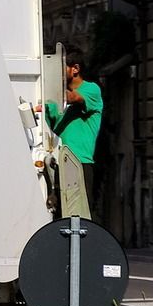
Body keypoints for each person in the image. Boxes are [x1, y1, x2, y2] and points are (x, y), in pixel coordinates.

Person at [45, 47, 103, 214]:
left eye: (60, 67)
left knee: (80, 218)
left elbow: (74, 98)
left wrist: (49, 85)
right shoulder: (55, 99)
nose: (57, 72)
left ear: (75, 69)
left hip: (80, 164)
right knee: (60, 218)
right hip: (58, 164)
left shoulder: (91, 90)